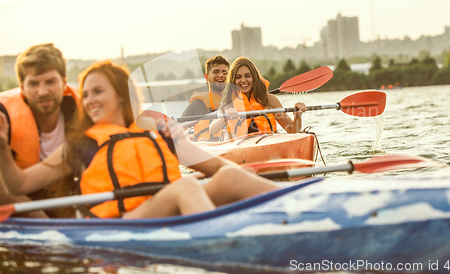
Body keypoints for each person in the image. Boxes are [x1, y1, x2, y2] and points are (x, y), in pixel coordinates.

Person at [0, 61, 279, 219]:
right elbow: (19, 184)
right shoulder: (80, 144)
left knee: (231, 176)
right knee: (185, 188)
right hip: (123, 223)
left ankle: (305, 206)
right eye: (85, 94)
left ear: (122, 95)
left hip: (167, 211)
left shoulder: (159, 131)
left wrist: (238, 174)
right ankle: (224, 242)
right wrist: (1, 146)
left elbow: (218, 168)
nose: (89, 100)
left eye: (98, 91)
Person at [0, 43, 78, 218]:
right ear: (22, 87)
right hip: (19, 210)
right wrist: (48, 227)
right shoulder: (3, 116)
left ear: (64, 82)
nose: (42, 92)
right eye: (33, 84)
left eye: (50, 82)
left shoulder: (86, 109)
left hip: (66, 203)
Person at [209, 57, 307, 140]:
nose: (243, 80)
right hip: (239, 145)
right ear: (233, 80)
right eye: (238, 77)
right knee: (227, 135)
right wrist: (224, 118)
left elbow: (292, 131)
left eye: (248, 76)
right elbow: (212, 130)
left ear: (254, 78)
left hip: (267, 142)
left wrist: (297, 116)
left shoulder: (270, 100)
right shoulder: (228, 101)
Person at [181, 55, 229, 142]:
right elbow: (177, 130)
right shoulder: (197, 104)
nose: (221, 75)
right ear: (206, 77)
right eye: (216, 72)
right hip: (206, 147)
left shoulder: (235, 102)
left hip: (231, 145)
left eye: (224, 72)